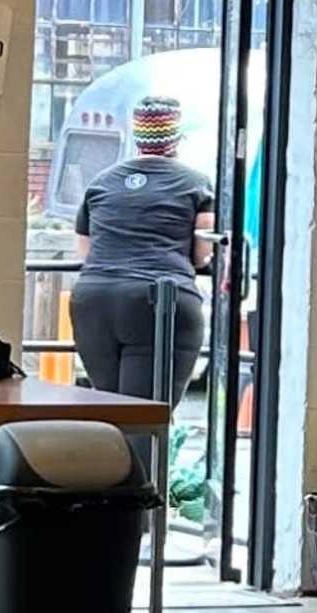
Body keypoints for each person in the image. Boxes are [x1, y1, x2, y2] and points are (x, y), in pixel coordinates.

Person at [68, 89, 214, 400]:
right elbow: (202, 254)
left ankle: (113, 451)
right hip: (157, 302)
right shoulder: (196, 183)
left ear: (137, 135)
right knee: (148, 417)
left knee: (114, 411)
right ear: (175, 137)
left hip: (94, 301)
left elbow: (85, 252)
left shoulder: (102, 182)